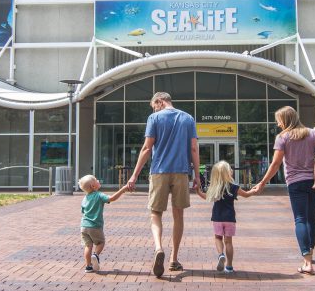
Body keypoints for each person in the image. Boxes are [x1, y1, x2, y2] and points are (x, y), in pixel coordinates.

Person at [250, 106, 315, 275]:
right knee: (311, 218)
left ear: (285, 120)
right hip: (313, 180)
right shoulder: (313, 133)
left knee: (300, 219)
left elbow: (275, 164)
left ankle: (307, 262)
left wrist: (262, 183)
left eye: (279, 120)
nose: (277, 123)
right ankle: (309, 254)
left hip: (296, 182)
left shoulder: (283, 137)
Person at [125, 91, 201, 278]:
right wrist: (197, 175)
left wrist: (134, 175)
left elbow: (147, 148)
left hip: (159, 171)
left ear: (159, 101)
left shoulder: (154, 118)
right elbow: (193, 148)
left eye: (154, 105)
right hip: (181, 171)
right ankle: (174, 259)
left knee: (155, 213)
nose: (154, 108)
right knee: (178, 214)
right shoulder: (188, 118)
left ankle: (159, 248)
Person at [199, 160, 256, 274]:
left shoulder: (214, 187)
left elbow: (206, 197)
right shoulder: (234, 187)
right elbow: (246, 194)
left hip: (217, 218)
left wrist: (197, 191)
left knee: (218, 238)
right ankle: (229, 266)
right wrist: (254, 190)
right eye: (230, 169)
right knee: (228, 242)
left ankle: (221, 255)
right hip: (230, 218)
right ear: (227, 173)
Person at [78, 174, 131, 273]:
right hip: (95, 226)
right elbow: (111, 198)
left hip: (84, 226)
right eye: (96, 180)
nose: (98, 180)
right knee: (101, 243)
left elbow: (83, 211)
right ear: (93, 186)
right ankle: (96, 255)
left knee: (87, 246)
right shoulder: (99, 195)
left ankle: (88, 266)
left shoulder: (85, 198)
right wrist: (123, 190)